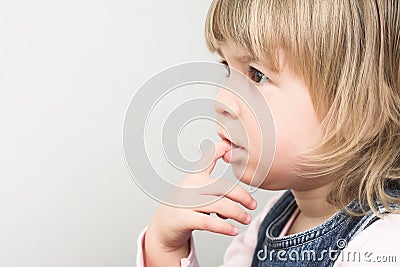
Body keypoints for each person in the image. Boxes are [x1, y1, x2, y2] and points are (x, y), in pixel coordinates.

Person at [137, 0, 400, 266]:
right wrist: (165, 249)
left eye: (257, 75)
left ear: (361, 107)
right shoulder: (275, 220)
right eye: (228, 69)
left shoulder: (383, 246)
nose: (222, 100)